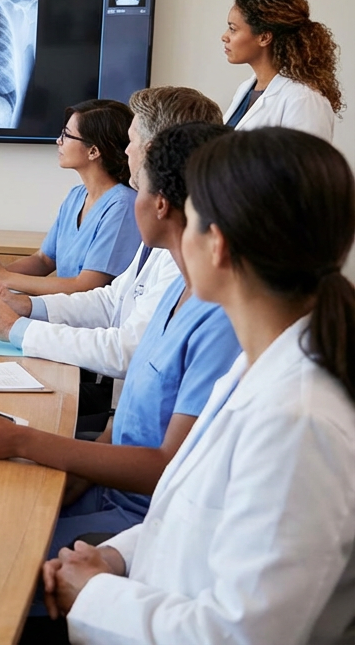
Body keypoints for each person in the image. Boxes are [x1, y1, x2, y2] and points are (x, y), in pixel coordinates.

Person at [46, 128, 355, 644]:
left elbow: (242, 635)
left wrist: (96, 592)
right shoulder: (262, 366)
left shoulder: (297, 422)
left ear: (218, 246)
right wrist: (116, 555)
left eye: (190, 219)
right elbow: (190, 517)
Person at [0, 123, 241, 565]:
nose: (128, 198)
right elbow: (126, 417)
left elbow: (166, 466)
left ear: (160, 204)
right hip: (107, 488)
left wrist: (22, 442)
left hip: (144, 519)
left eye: (136, 187)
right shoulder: (175, 290)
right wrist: (74, 477)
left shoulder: (216, 315)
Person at [0, 88, 220, 427]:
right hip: (123, 410)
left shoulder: (155, 228)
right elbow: (110, 301)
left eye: (132, 140)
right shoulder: (158, 235)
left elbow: (126, 349)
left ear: (152, 149)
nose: (126, 150)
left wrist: (18, 327)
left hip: (120, 402)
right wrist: (27, 307)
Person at [0, 100, 141, 295]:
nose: (58, 141)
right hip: (63, 309)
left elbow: (85, 286)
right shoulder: (76, 196)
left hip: (90, 320)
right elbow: (43, 260)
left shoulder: (123, 205)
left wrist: (6, 278)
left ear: (93, 151)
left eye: (66, 135)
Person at [221, 0, 342, 139]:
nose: (224, 37)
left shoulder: (303, 99)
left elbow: (305, 162)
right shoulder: (246, 89)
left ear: (264, 37)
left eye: (233, 29)